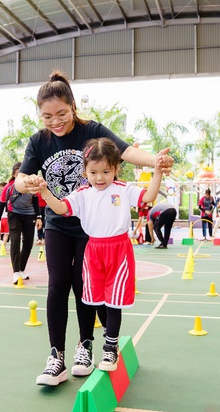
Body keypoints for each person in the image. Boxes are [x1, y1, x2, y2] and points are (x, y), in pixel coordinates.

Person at [15, 70, 173, 387]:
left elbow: (126, 152)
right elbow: (20, 179)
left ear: (73, 106)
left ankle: (85, 345)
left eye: (61, 113)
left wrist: (154, 162)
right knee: (57, 284)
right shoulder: (38, 141)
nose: (55, 121)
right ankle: (56, 356)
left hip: (92, 226)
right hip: (59, 220)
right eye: (47, 116)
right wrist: (29, 183)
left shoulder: (92, 131)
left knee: (83, 285)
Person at [37, 137, 164, 375]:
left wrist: (157, 171)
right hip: (93, 250)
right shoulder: (82, 194)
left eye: (106, 171)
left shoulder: (123, 190)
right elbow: (62, 208)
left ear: (116, 168)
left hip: (118, 249)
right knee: (95, 299)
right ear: (85, 172)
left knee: (113, 300)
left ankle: (110, 346)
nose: (100, 177)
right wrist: (45, 191)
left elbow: (148, 197)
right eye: (93, 172)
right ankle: (99, 342)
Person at [0, 162, 42, 284]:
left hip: (29, 215)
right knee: (15, 240)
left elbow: (36, 202)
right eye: (18, 174)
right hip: (14, 214)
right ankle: (15, 272)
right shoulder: (8, 188)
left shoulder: (32, 187)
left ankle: (21, 269)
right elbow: (1, 206)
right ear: (15, 175)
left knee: (28, 242)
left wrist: (39, 217)